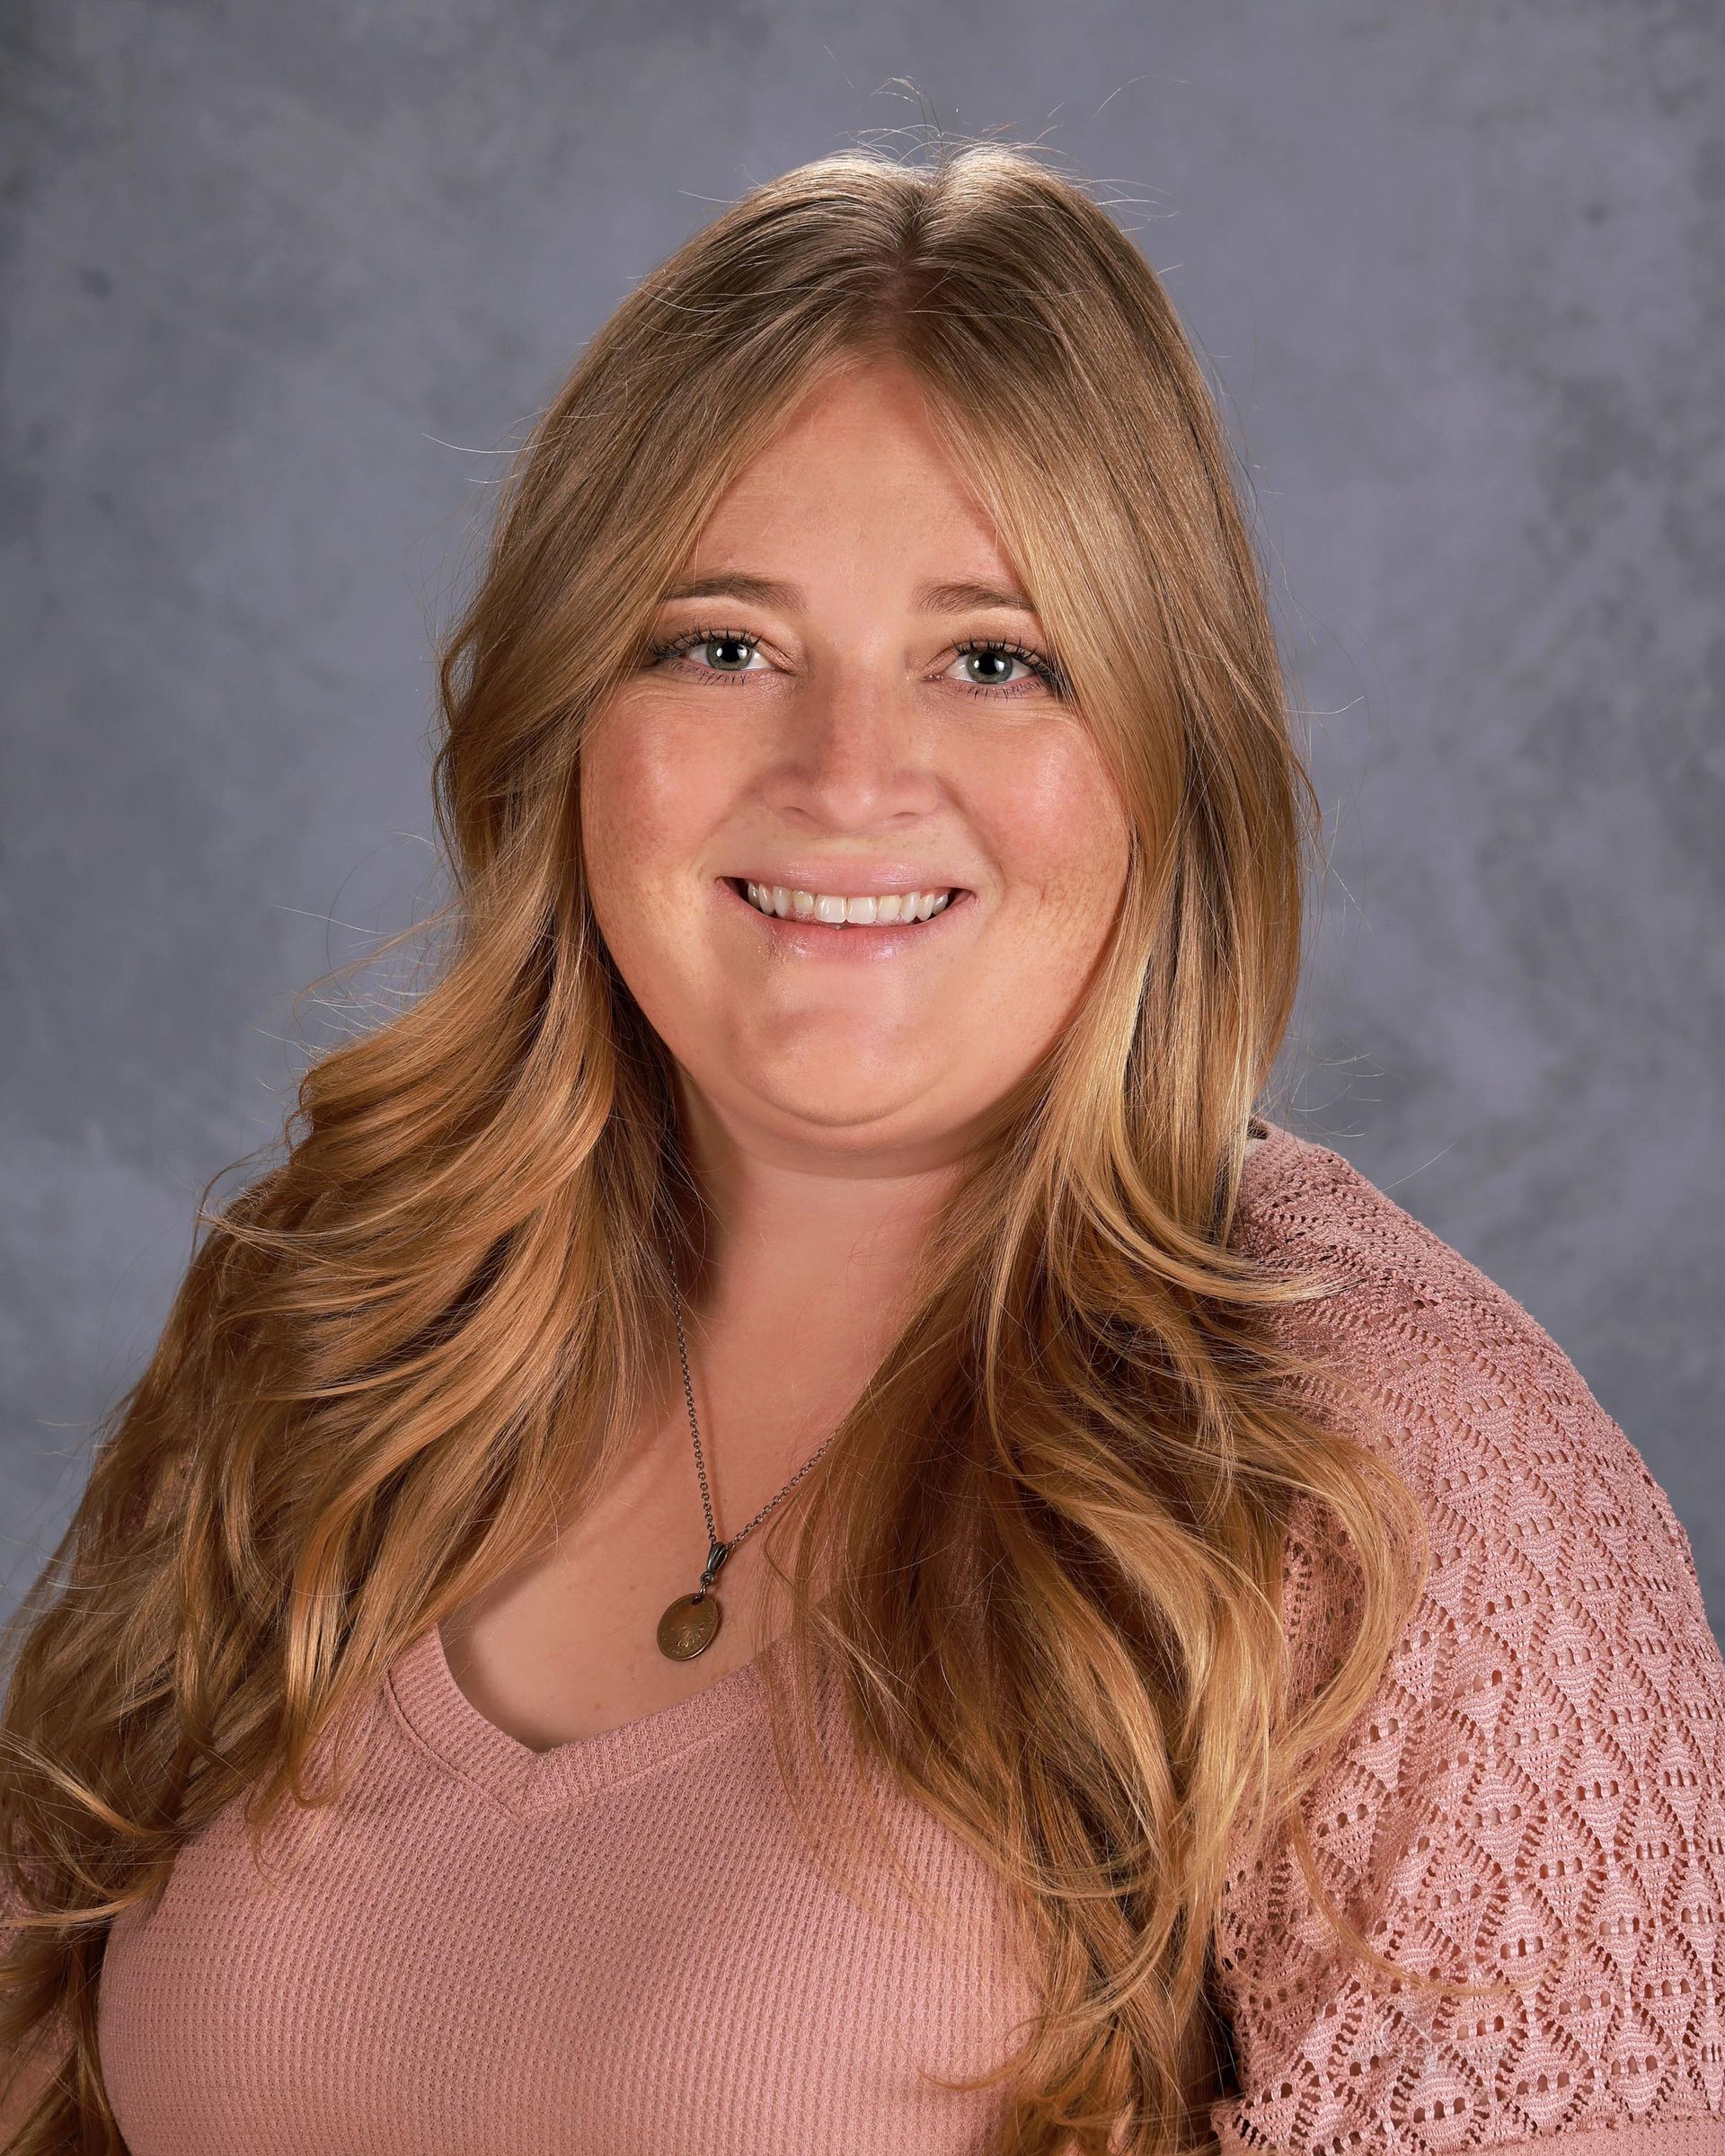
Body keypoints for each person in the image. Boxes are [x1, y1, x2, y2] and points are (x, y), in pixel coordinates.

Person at [2, 139, 1721, 2156]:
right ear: (570, 718)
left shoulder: (1393, 1481)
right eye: (720, 644)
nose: (847, 780)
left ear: (1172, 751)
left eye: (994, 660)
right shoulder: (341, 1323)